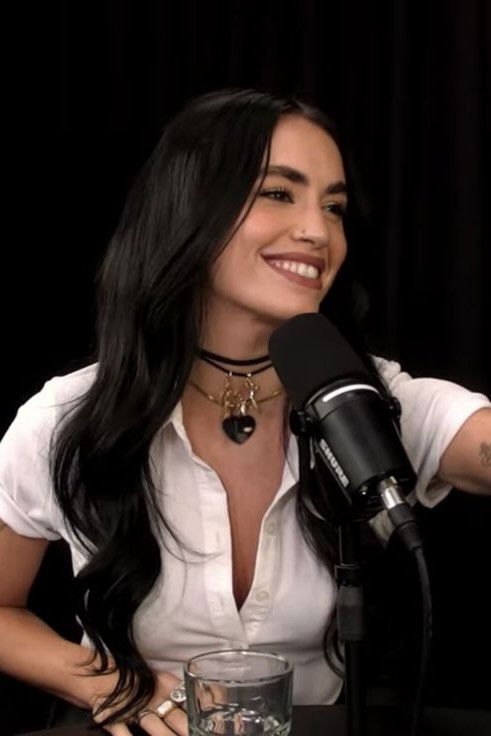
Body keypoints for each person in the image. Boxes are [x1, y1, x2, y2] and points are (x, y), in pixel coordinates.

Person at [0, 89, 489, 736]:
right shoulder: (67, 417)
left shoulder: (370, 403)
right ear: (189, 209)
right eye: (278, 193)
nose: (318, 231)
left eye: (334, 207)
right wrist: (112, 685)